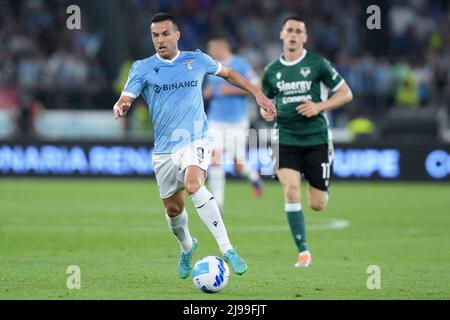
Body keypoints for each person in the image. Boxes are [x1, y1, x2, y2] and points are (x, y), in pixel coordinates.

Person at [113, 13, 276, 278]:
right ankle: (187, 246)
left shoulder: (197, 59)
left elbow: (230, 73)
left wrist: (256, 93)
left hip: (195, 138)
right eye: (155, 35)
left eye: (165, 33)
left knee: (193, 184)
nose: (160, 40)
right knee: (173, 209)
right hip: (164, 149)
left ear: (177, 35)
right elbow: (125, 97)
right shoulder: (142, 67)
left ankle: (228, 249)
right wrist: (121, 105)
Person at [261, 16, 353, 267]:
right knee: (290, 191)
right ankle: (303, 251)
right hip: (285, 138)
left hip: (316, 138)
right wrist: (266, 112)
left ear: (305, 37)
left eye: (298, 31)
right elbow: (265, 106)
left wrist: (319, 106)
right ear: (281, 35)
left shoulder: (318, 64)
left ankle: (322, 190)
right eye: (289, 30)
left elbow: (346, 93)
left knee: (317, 205)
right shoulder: (271, 71)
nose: (293, 34)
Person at [203, 35, 264, 214]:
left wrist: (228, 90)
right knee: (216, 158)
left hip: (237, 121)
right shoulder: (213, 66)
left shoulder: (240, 64)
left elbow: (255, 86)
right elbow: (210, 89)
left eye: (211, 48)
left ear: (221, 47)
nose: (209, 52)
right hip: (215, 120)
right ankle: (217, 204)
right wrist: (208, 92)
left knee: (238, 165)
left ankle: (254, 177)